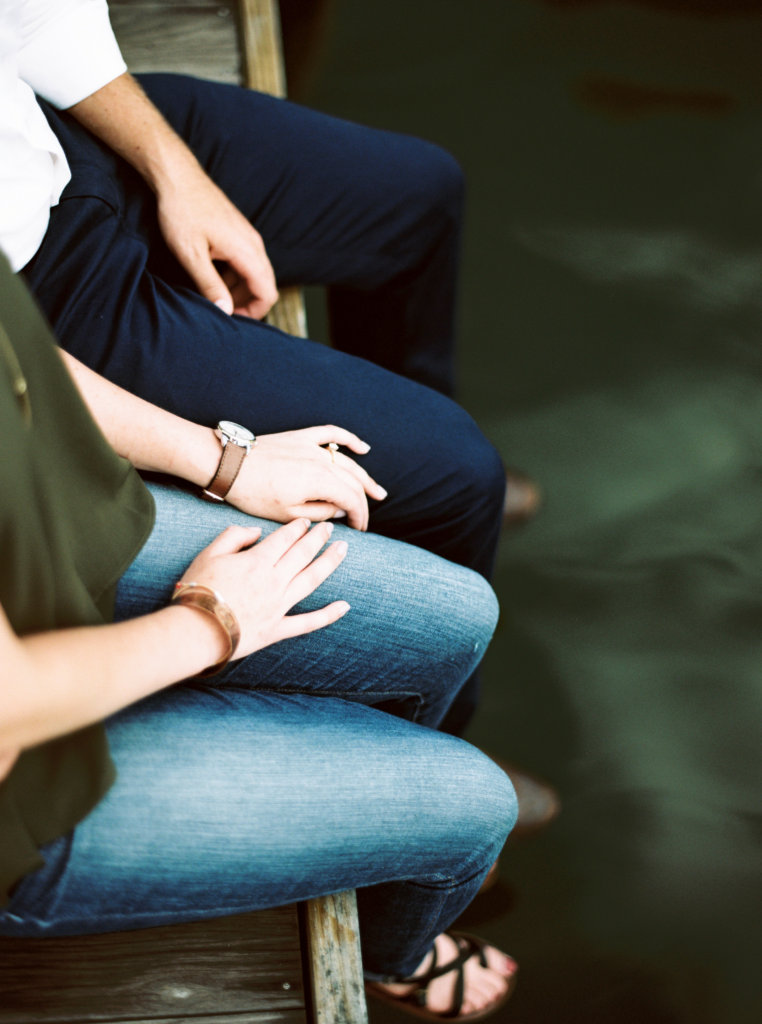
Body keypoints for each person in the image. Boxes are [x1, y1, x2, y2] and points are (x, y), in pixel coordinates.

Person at [0, 253, 518, 1019]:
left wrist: (221, 458)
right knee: (477, 803)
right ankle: (391, 952)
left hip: (53, 540)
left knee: (456, 611)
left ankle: (377, 827)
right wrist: (211, 624)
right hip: (28, 789)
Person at [3, 0, 515, 741]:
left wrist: (176, 171)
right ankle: (447, 736)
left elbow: (34, 15)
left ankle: (405, 483)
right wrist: (227, 461)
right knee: (464, 473)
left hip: (51, 138)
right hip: (37, 310)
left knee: (423, 195)